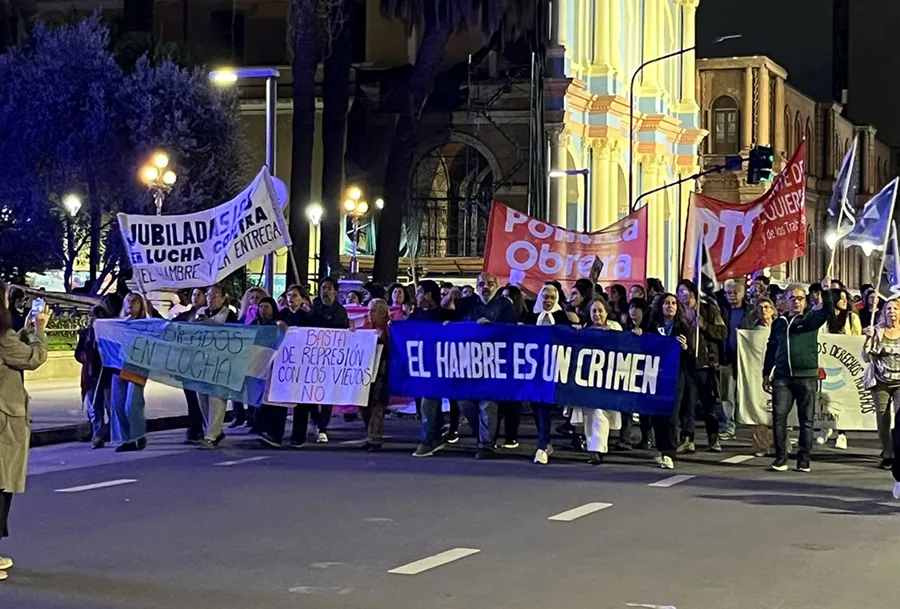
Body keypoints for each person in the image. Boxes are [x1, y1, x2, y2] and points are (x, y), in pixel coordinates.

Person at [0, 281, 50, 581]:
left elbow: (13, 351)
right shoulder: (3, 337)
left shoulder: (5, 338)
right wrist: (40, 330)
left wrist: (27, 330)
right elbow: (32, 358)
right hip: (5, 418)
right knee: (1, 485)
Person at [762, 277, 833, 472]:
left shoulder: (810, 320)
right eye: (792, 298)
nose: (797, 301)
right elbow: (771, 348)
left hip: (807, 377)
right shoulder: (779, 323)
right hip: (783, 378)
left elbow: (827, 312)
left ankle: (804, 459)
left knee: (806, 421)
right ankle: (781, 458)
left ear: (805, 301)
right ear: (784, 300)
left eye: (801, 298)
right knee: (779, 417)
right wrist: (766, 372)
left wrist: (826, 292)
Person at [444, 272, 516, 459]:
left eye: (490, 283)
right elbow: (448, 313)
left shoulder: (505, 305)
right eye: (482, 283)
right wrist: (448, 324)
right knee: (465, 403)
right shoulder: (467, 303)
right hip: (468, 362)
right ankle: (482, 435)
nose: (486, 287)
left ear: (497, 286)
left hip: (493, 363)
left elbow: (511, 329)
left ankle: (486, 445)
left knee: (487, 403)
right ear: (476, 286)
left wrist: (492, 326)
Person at [676, 279, 728, 453]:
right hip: (687, 364)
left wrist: (704, 325)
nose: (682, 296)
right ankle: (687, 438)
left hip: (706, 364)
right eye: (679, 292)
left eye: (685, 292)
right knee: (688, 404)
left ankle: (713, 438)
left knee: (710, 405)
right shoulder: (678, 314)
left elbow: (722, 332)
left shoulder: (708, 310)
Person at [524, 283, 572, 464]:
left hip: (552, 370)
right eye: (546, 297)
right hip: (533, 370)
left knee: (543, 405)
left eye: (552, 297)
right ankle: (545, 441)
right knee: (536, 406)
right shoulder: (532, 316)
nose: (548, 301)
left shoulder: (561, 317)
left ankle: (542, 445)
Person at [410, 280, 456, 457]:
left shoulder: (444, 315)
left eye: (419, 292)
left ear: (429, 295)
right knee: (424, 405)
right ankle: (436, 436)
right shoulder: (416, 315)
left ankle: (428, 440)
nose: (416, 296)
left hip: (438, 368)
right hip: (420, 368)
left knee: (428, 405)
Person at [648, 293, 692, 469]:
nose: (670, 306)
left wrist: (685, 347)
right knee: (658, 413)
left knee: (672, 412)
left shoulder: (683, 327)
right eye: (666, 303)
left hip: (675, 375)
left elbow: (691, 355)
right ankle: (661, 447)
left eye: (673, 303)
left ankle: (670, 451)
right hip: (656, 374)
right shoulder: (652, 325)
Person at [194, 285, 238, 449]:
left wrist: (211, 325)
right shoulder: (201, 312)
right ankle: (213, 430)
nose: (210, 299)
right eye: (208, 296)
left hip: (221, 363)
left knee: (216, 398)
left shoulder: (229, 315)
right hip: (202, 362)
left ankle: (211, 435)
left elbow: (233, 336)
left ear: (222, 297)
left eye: (214, 296)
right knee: (203, 398)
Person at [581, 298, 623, 465]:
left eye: (600, 311)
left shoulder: (615, 328)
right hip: (588, 379)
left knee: (602, 412)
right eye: (594, 311)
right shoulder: (584, 330)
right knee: (590, 414)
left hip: (608, 378)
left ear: (606, 312)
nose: (597, 314)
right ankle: (594, 449)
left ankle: (598, 447)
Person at [820, 287, 862, 449]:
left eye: (846, 298)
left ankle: (842, 434)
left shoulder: (852, 318)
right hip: (827, 363)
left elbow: (857, 340)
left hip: (845, 366)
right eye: (841, 298)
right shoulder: (825, 318)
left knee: (843, 399)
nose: (845, 301)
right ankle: (825, 426)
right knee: (827, 398)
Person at [308, 277, 350, 441]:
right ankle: (315, 419)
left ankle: (322, 425)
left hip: (330, 359)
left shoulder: (340, 311)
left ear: (335, 291)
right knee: (310, 391)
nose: (324, 291)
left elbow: (342, 331)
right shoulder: (314, 308)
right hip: (313, 358)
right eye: (322, 288)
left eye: (328, 288)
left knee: (327, 394)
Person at [861, 299, 900, 472]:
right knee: (883, 420)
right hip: (880, 382)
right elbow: (866, 357)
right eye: (888, 309)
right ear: (883, 313)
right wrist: (868, 339)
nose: (892, 312)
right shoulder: (877, 331)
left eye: (895, 309)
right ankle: (888, 453)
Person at [110, 293, 150, 453]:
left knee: (132, 405)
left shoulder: (145, 325)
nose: (130, 306)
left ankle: (138, 435)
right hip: (118, 368)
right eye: (128, 302)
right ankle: (126, 438)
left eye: (134, 303)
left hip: (137, 369)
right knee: (118, 405)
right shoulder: (117, 325)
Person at [719, 279, 754, 441]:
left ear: (743, 293)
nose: (732, 296)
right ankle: (728, 426)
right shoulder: (722, 311)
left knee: (748, 394)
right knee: (727, 395)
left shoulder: (751, 312)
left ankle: (753, 428)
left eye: (735, 292)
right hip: (726, 358)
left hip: (746, 360)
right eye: (728, 293)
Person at [173, 287, 208, 443]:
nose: (195, 297)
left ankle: (204, 428)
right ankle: (195, 428)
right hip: (187, 363)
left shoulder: (209, 315)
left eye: (199, 294)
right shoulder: (185, 316)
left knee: (202, 399)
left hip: (204, 364)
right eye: (194, 294)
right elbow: (168, 326)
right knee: (191, 398)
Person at [75, 305, 110, 448]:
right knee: (95, 407)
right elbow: (78, 353)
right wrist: (86, 357)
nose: (92, 319)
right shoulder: (86, 334)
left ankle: (107, 432)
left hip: (107, 374)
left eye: (95, 316)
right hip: (91, 374)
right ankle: (97, 435)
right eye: (91, 316)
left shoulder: (109, 333)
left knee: (110, 405)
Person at [748, 296, 777, 457]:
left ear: (773, 310)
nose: (764, 310)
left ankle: (782, 443)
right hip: (757, 372)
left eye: (767, 307)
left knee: (778, 411)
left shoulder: (780, 327)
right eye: (760, 307)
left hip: (777, 372)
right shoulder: (752, 330)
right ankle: (761, 445)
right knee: (756, 408)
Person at [361, 298, 390, 452]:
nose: (369, 314)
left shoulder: (390, 328)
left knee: (377, 404)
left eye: (372, 311)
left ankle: (375, 437)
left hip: (382, 372)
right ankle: (370, 434)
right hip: (366, 371)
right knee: (364, 405)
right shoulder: (366, 327)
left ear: (382, 313)